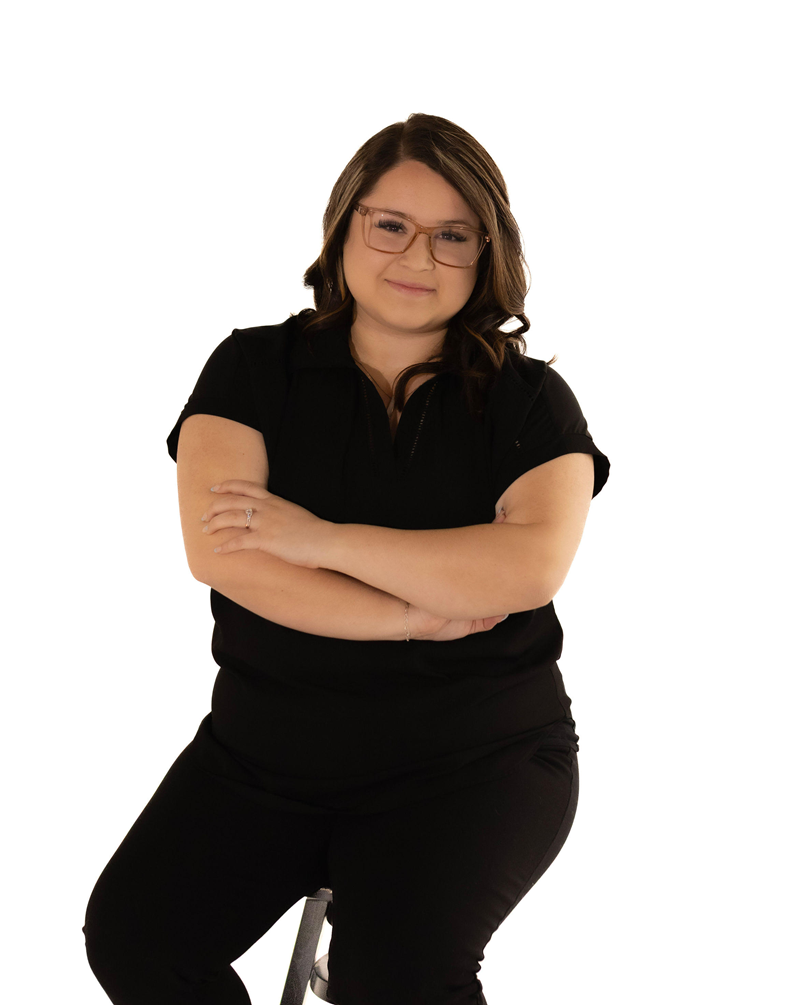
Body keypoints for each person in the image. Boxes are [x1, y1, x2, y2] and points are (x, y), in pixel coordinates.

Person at [83, 112, 611, 1005]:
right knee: (136, 941)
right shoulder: (251, 370)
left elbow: (524, 570)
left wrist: (314, 537)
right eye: (391, 225)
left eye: (453, 236)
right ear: (345, 226)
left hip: (475, 761)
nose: (419, 257)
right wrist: (412, 614)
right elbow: (229, 561)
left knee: (399, 981)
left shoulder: (533, 402)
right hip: (264, 753)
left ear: (487, 253)